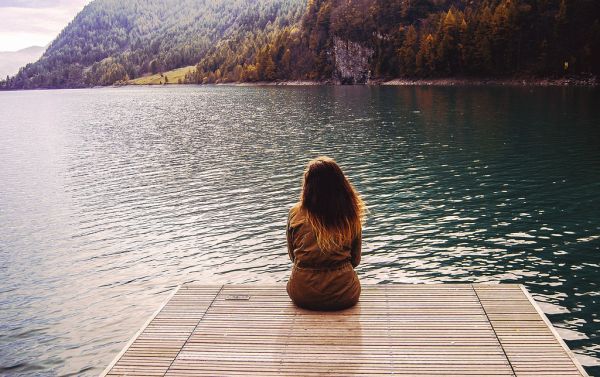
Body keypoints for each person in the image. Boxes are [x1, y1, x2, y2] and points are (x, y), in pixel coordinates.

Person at [286, 156, 366, 311]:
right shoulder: (349, 213)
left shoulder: (295, 213)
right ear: (340, 184)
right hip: (344, 293)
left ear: (308, 185)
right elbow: (355, 260)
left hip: (302, 293)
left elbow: (293, 257)